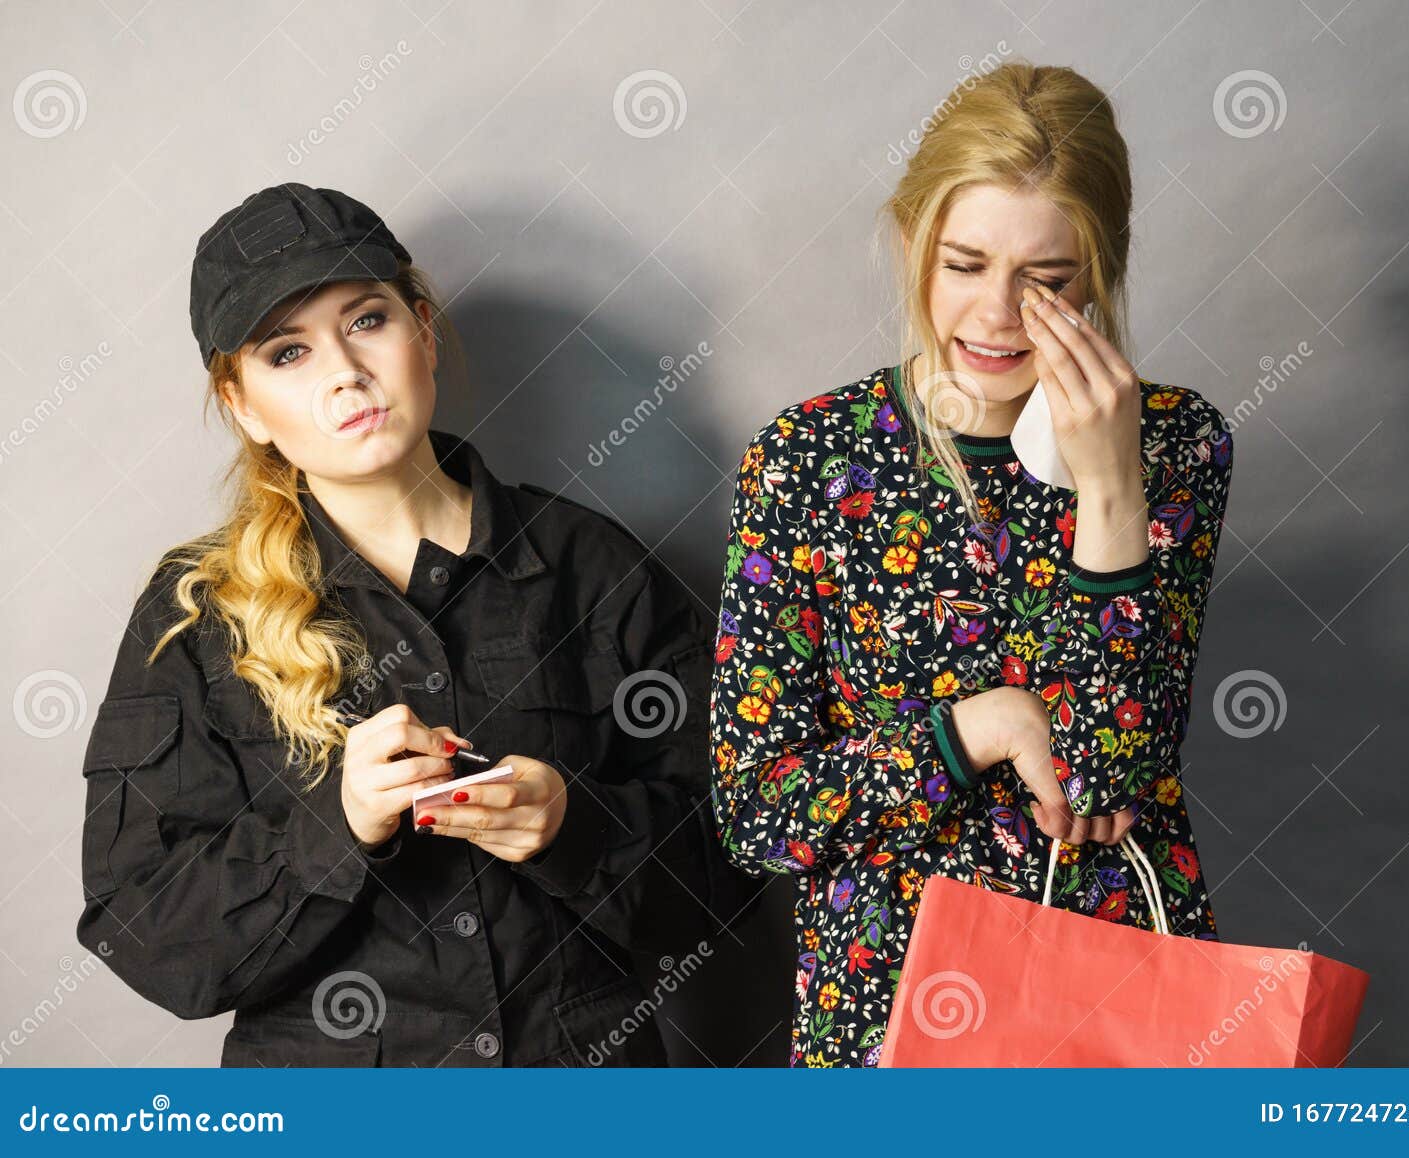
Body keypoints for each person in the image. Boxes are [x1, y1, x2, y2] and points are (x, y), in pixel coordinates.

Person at [77, 182, 755, 1066]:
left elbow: (743, 862)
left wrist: (574, 829)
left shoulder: (595, 568)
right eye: (287, 353)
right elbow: (147, 940)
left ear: (423, 331)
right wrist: (335, 824)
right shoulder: (197, 617)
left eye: (366, 321)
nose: (345, 374)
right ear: (242, 405)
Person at [708, 61, 1235, 1067]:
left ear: (1102, 269)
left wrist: (1111, 495)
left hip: (1116, 1009)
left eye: (1046, 280)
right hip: (887, 1011)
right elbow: (760, 819)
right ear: (911, 244)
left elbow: (1110, 778)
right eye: (963, 264)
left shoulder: (1172, 443)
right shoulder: (810, 458)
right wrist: (973, 729)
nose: (997, 314)